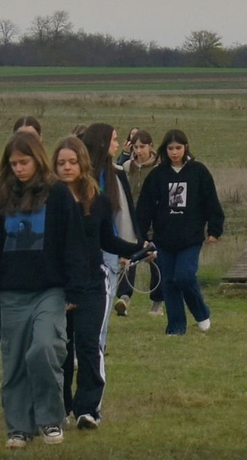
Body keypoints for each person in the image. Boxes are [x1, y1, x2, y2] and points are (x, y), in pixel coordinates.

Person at [0, 131, 87, 449]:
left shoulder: (58, 194)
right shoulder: (1, 197)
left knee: (44, 349)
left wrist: (75, 289)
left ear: (38, 159)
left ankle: (50, 419)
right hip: (11, 293)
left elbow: (73, 241)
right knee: (16, 360)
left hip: (51, 290)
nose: (19, 168)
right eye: (13, 163)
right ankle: (18, 427)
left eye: (24, 162)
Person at [52, 137, 143, 430]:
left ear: (83, 164)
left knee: (89, 343)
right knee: (61, 348)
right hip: (58, 285)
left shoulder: (99, 199)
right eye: (61, 163)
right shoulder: (48, 200)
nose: (67, 167)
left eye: (72, 162)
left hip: (92, 282)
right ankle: (62, 406)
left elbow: (107, 240)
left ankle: (88, 410)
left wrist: (138, 248)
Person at [136, 129, 225, 336]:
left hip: (190, 238)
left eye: (178, 148)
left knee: (184, 277)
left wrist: (214, 230)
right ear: (164, 150)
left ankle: (201, 313)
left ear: (185, 147)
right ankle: (176, 327)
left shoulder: (198, 172)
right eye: (170, 148)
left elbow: (211, 202)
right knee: (168, 282)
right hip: (164, 239)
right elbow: (144, 208)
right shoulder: (157, 175)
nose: (174, 152)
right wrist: (142, 236)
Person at [81, 124, 139, 337]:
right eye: (114, 139)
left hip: (109, 251)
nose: (117, 144)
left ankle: (98, 350)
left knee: (102, 312)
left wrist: (130, 247)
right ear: (102, 143)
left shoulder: (116, 173)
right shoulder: (80, 176)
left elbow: (123, 214)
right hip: (83, 251)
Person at [118, 130, 163, 314]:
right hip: (131, 218)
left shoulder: (159, 167)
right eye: (135, 147)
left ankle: (157, 301)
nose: (138, 151)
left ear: (150, 146)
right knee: (128, 256)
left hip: (153, 219)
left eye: (142, 147)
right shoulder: (128, 166)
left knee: (155, 258)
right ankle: (124, 297)